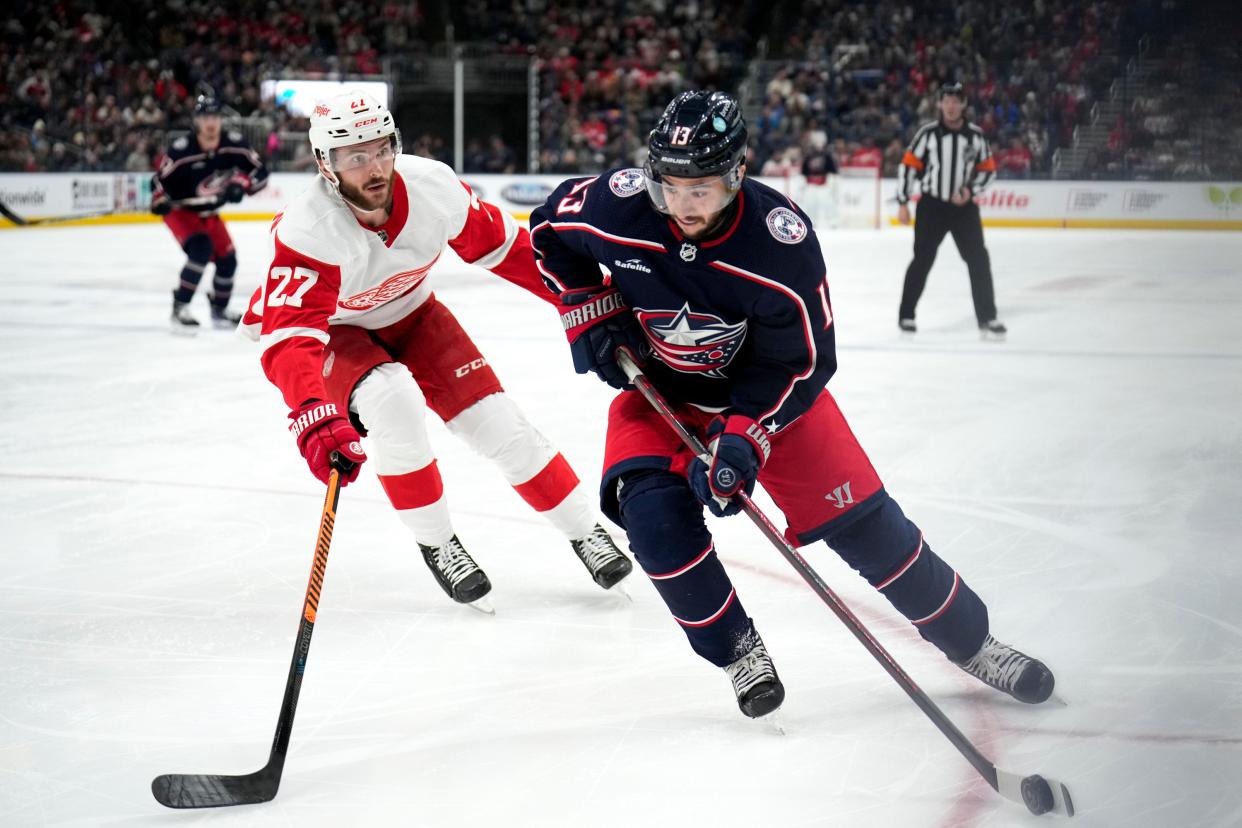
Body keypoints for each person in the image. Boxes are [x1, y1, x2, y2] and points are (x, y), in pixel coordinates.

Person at [530, 90, 1054, 718]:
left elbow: (801, 361)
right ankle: (736, 649)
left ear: (735, 176)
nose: (681, 204)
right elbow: (548, 230)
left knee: (869, 530)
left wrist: (749, 433)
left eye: (700, 189)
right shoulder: (618, 204)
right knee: (653, 523)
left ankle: (972, 642)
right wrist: (588, 306)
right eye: (669, 185)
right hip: (663, 392)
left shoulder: (780, 244)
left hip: (768, 399)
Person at [238, 91, 632, 607]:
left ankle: (584, 529)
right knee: (392, 401)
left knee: (498, 421)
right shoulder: (309, 228)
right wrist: (312, 411)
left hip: (414, 312)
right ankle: (438, 542)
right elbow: (291, 335)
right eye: (355, 158)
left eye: (381, 149)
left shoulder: (430, 185)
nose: (374, 168)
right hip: (338, 331)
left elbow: (506, 249)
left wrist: (581, 299)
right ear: (325, 165)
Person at [895, 82, 1006, 340]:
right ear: (940, 104)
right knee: (922, 260)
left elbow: (988, 171)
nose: (951, 106)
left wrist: (970, 191)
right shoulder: (927, 134)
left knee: (978, 259)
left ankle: (988, 317)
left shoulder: (976, 136)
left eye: (956, 101)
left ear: (963, 105)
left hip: (964, 208)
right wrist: (902, 201)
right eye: (947, 101)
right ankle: (906, 315)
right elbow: (908, 166)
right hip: (932, 206)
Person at [151, 95, 269, 334]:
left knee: (228, 260)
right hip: (182, 212)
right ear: (197, 121)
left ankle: (220, 308)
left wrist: (242, 185)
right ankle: (180, 307)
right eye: (205, 117)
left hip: (209, 212)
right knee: (201, 249)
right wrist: (159, 200)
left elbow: (261, 172)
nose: (211, 122)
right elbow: (158, 182)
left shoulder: (234, 145)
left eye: (214, 116)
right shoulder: (182, 151)